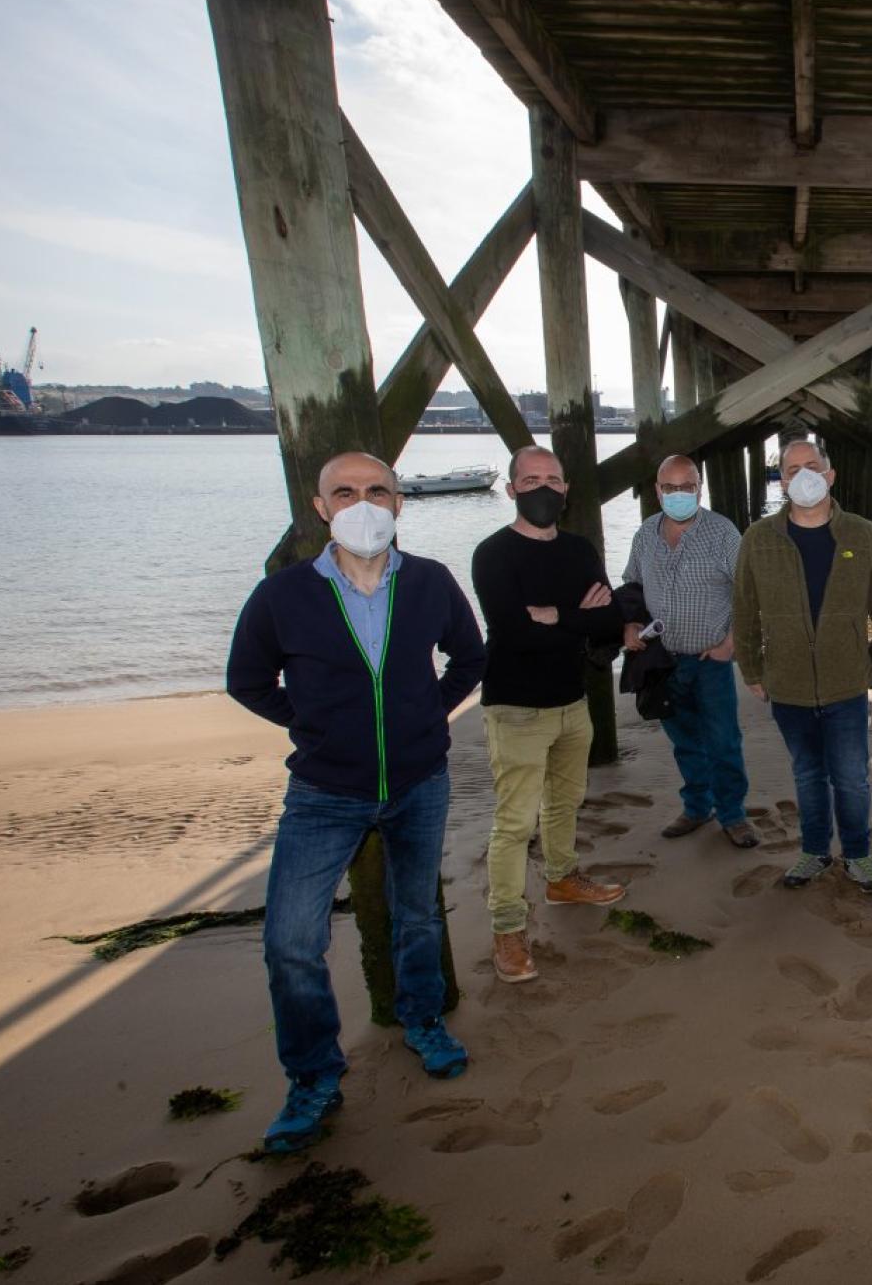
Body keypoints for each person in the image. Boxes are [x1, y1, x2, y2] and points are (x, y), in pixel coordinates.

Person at [226, 450, 486, 1153]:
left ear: (399, 503)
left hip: (418, 782)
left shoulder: (429, 582)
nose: (361, 503)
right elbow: (246, 681)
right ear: (320, 508)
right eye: (344, 492)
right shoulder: (283, 596)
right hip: (323, 792)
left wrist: (426, 716)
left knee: (417, 914)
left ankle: (422, 1021)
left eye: (376, 490)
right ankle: (312, 1075)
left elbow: (470, 656)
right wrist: (316, 726)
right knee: (291, 941)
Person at [470, 446, 630, 985]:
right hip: (515, 707)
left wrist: (557, 616)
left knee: (566, 803)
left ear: (566, 489)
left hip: (572, 700)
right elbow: (513, 631)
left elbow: (611, 619)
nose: (543, 487)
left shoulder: (580, 549)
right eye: (530, 478)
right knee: (514, 824)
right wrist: (577, 618)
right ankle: (508, 929)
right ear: (512, 488)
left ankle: (562, 879)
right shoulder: (493, 554)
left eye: (553, 479)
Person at [733, 438, 872, 893]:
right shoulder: (759, 539)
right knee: (807, 774)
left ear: (829, 476)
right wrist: (751, 670)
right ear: (782, 481)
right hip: (785, 684)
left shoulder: (862, 534)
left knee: (851, 777)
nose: (802, 475)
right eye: (791, 469)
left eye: (812, 466)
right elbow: (745, 609)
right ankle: (813, 852)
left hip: (847, 681)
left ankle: (859, 856)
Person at [621, 455, 758, 848]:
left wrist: (729, 643)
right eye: (670, 487)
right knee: (684, 741)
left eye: (687, 486)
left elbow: (748, 591)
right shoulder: (645, 533)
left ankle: (733, 814)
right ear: (657, 490)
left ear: (700, 488)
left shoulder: (723, 533)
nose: (679, 494)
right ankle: (698, 807)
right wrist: (629, 624)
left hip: (710, 661)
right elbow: (631, 583)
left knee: (723, 741)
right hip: (662, 661)